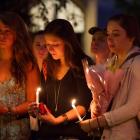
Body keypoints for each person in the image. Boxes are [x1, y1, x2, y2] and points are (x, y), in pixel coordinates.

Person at [29, 18, 93, 140]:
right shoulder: (47, 65)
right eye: (48, 45)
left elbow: (84, 105)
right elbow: (43, 100)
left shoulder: (82, 64)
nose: (50, 49)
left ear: (68, 42)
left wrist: (58, 120)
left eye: (55, 44)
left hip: (74, 133)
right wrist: (37, 109)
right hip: (48, 133)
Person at [80, 14, 140, 140]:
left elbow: (132, 108)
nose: (110, 39)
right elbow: (106, 96)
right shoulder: (112, 62)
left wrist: (95, 123)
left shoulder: (137, 62)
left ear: (131, 36)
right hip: (107, 134)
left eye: (116, 34)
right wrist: (95, 105)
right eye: (108, 34)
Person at [0, 12, 40, 140]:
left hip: (16, 130)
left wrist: (8, 110)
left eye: (7, 31)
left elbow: (33, 102)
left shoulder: (27, 64)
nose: (2, 36)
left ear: (18, 34)